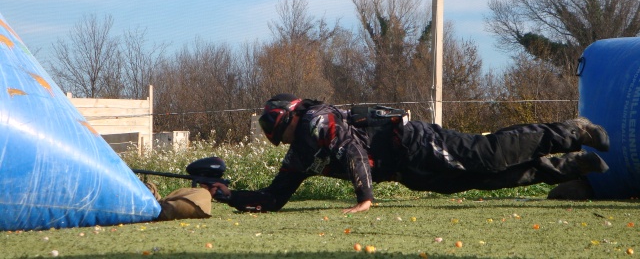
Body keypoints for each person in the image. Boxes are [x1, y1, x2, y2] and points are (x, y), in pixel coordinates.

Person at [206, 94, 610, 214]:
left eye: (285, 127)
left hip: (414, 142)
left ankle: (571, 131)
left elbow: (352, 152)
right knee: (485, 180)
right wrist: (224, 194)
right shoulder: (302, 148)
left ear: (294, 113)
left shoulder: (319, 118)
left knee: (487, 154)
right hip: (407, 171)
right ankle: (568, 168)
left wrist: (364, 199)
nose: (288, 137)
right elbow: (274, 198)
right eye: (281, 135)